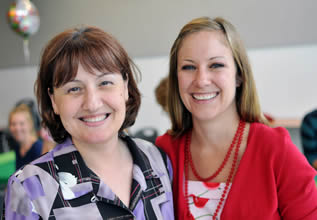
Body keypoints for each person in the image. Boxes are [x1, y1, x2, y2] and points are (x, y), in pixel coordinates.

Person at [2, 26, 174, 219]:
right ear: (53, 100)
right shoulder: (30, 187)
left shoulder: (157, 160)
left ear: (125, 87)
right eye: (74, 89)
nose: (92, 104)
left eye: (105, 83)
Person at [156, 16, 317, 219]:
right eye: (188, 67)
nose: (201, 80)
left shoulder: (276, 149)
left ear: (239, 76)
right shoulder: (163, 153)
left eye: (216, 65)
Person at [8, 103, 43, 170]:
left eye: (22, 123)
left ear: (30, 125)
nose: (17, 128)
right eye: (13, 124)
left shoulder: (38, 149)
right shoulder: (18, 148)